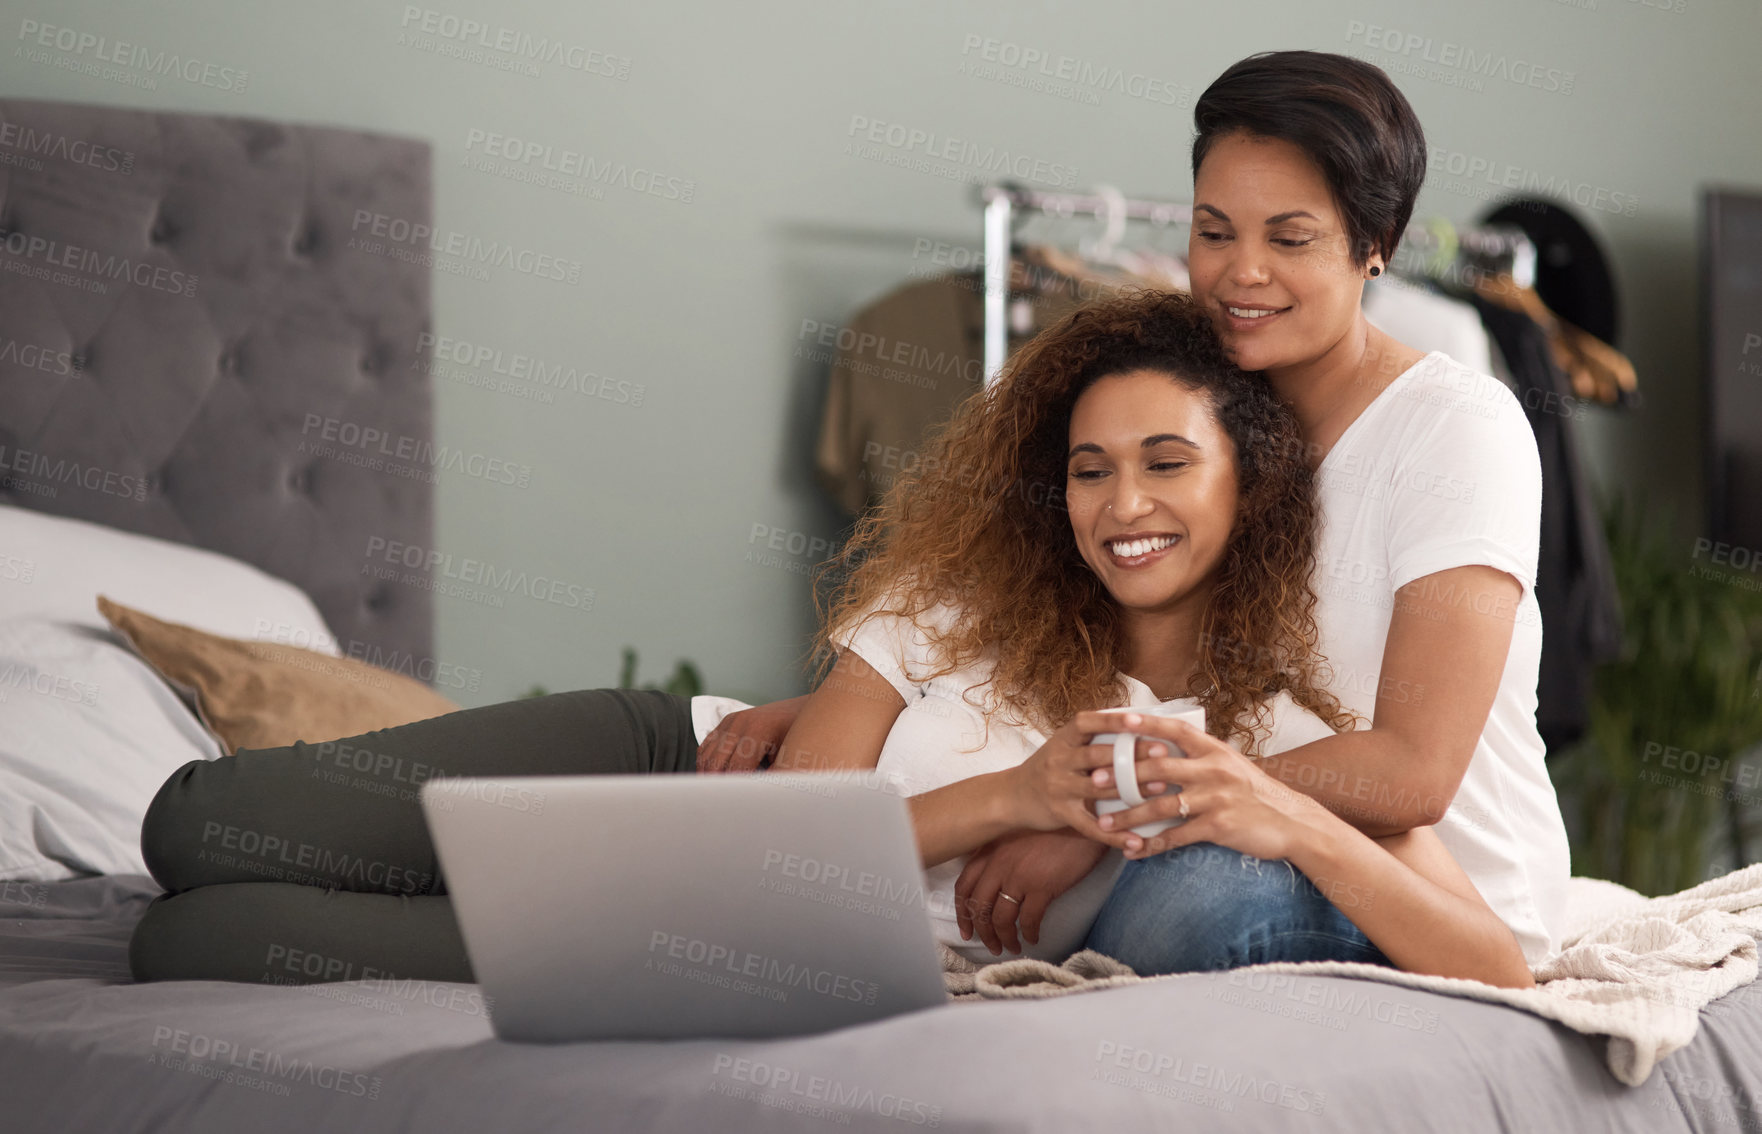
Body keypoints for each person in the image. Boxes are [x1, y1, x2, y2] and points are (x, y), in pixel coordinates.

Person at [130, 290, 1533, 990]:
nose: (1123, 503)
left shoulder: (1271, 731)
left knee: (197, 945)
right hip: (665, 773)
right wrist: (1021, 796)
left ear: (1252, 484)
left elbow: (1498, 964)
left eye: (1168, 461)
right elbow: (782, 826)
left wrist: (1265, 812)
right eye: (1090, 467)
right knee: (195, 824)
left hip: (701, 934)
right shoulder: (971, 596)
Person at [701, 49, 1572, 971]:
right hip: (1219, 821)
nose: (1243, 274)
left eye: (1290, 238)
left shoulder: (1455, 430)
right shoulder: (1226, 399)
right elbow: (1143, 643)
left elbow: (1412, 773)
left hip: (1428, 888)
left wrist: (1109, 818)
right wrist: (834, 699)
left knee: (1182, 902)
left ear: (1374, 244)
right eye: (1214, 232)